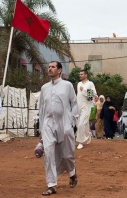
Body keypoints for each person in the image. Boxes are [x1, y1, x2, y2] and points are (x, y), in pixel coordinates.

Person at [38, 61, 79, 196]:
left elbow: (74, 104)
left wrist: (71, 121)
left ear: (59, 70)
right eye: (49, 67)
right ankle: (51, 185)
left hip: (65, 124)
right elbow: (42, 108)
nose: (50, 69)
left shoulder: (67, 85)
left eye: (53, 67)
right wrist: (41, 130)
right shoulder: (44, 88)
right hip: (48, 123)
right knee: (48, 153)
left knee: (67, 155)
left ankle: (72, 173)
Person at [76, 69, 97, 149]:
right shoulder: (78, 84)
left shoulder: (90, 83)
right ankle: (88, 135)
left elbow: (93, 95)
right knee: (82, 123)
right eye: (80, 74)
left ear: (86, 75)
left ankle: (80, 142)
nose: (80, 75)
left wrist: (84, 90)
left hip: (86, 107)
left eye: (81, 74)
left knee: (81, 124)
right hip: (78, 107)